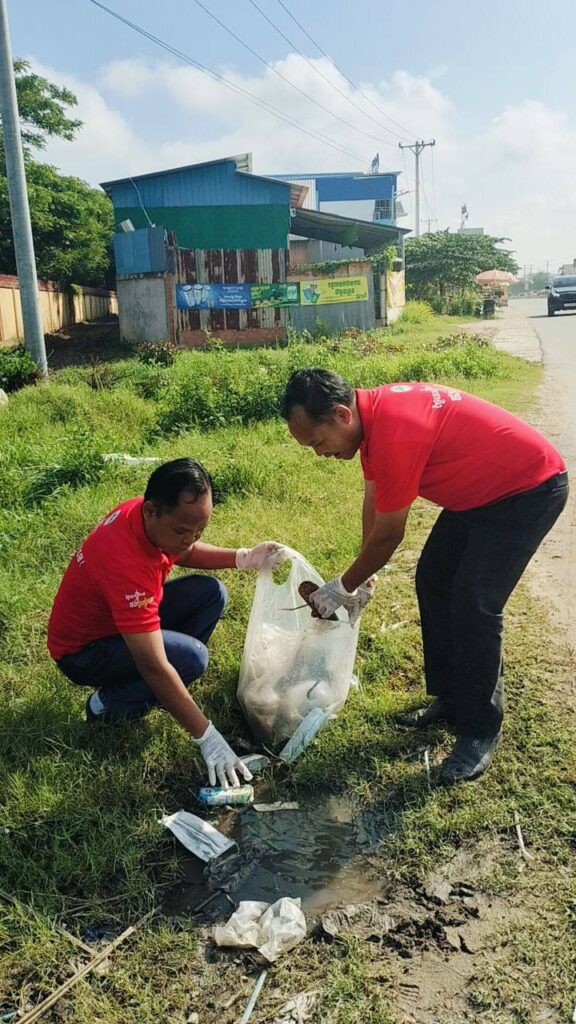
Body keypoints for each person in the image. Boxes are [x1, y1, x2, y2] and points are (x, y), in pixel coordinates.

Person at [281, 370, 568, 784]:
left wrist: (341, 588)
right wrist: (361, 578)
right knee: (434, 578)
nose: (318, 453)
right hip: (481, 492)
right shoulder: (371, 419)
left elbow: (390, 534)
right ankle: (451, 697)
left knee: (474, 602)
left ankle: (479, 729)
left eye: (317, 442)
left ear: (342, 415)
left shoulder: (394, 431)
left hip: (528, 488)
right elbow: (374, 503)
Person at [47, 458, 285, 788]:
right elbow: (153, 665)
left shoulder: (144, 516)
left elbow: (182, 551)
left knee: (211, 594)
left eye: (199, 531)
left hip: (114, 623)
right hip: (83, 652)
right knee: (192, 658)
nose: (190, 539)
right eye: (182, 531)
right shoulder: (126, 567)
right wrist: (207, 737)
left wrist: (242, 558)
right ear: (151, 511)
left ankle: (162, 691)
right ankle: (107, 706)